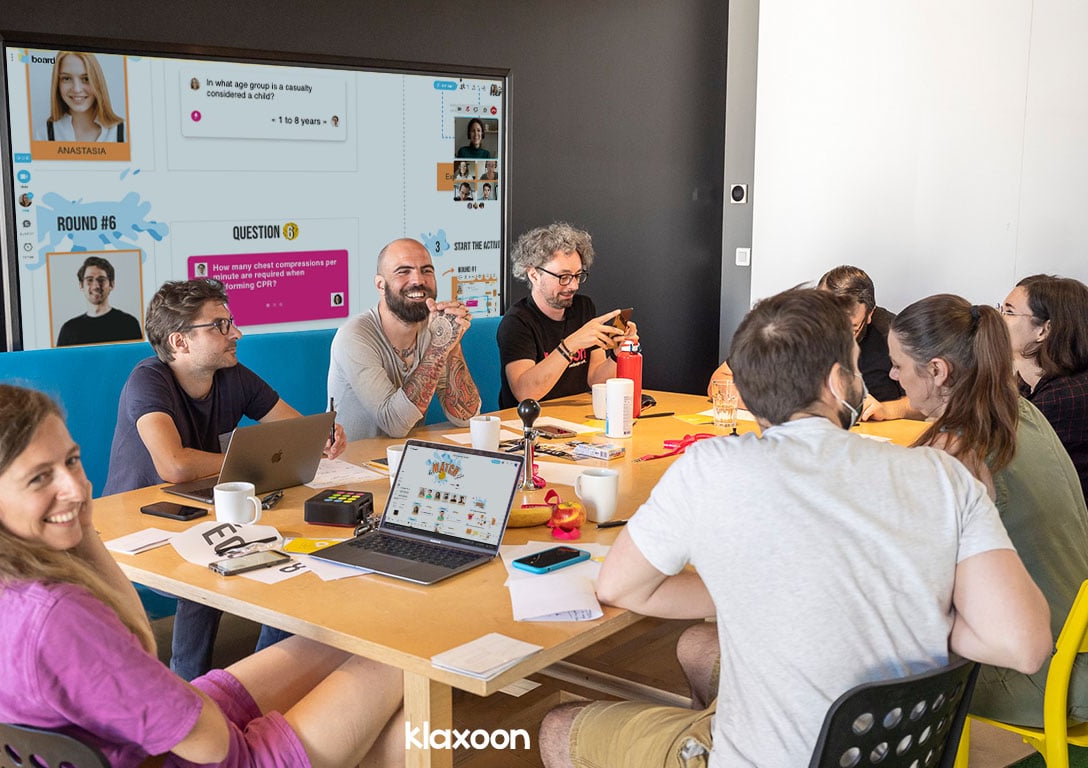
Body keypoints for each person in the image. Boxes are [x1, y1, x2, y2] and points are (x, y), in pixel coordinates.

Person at [539, 288, 1051, 767]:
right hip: (904, 748)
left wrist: (755, 586)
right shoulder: (945, 477)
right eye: (856, 366)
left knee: (558, 728)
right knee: (700, 651)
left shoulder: (711, 467)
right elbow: (1023, 644)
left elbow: (620, 586)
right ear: (835, 383)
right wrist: (909, 602)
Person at [0, 384, 403, 768]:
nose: (75, 488)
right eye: (39, 478)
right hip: (205, 754)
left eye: (72, 461)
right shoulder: (55, 617)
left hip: (146, 740)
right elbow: (208, 741)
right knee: (406, 661)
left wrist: (82, 527)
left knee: (357, 639)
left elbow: (138, 656)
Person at [104, 279, 346, 680]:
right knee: (211, 569)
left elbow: (296, 431)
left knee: (291, 557)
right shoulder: (148, 381)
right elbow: (174, 466)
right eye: (219, 326)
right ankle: (189, 681)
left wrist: (324, 438)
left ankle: (256, 678)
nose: (236, 333)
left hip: (203, 510)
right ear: (179, 342)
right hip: (137, 523)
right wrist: (244, 461)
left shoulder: (231, 374)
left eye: (230, 322)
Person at [889, 293, 1088, 727]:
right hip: (1077, 654)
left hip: (1045, 679)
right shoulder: (1023, 412)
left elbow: (919, 591)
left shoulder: (955, 451)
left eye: (899, 365)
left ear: (937, 371)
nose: (892, 375)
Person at [705, 265, 914, 419]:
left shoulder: (894, 334)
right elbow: (719, 381)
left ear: (870, 314)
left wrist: (887, 410)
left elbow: (929, 401)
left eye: (850, 327)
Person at [327, 238, 480, 440]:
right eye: (403, 271)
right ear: (381, 285)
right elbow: (395, 424)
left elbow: (466, 417)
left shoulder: (433, 330)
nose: (418, 280)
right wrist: (439, 348)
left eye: (427, 271)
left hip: (407, 457)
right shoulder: (354, 335)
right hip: (354, 465)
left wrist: (452, 345)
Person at [496, 222, 637, 409]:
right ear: (534, 275)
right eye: (563, 277)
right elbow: (525, 393)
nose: (573, 286)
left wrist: (616, 355)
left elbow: (596, 380)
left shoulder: (583, 307)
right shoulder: (517, 322)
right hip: (527, 425)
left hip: (573, 421)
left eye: (578, 275)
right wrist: (571, 344)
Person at [1000, 274, 1088, 499]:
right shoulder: (1030, 381)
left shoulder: (1060, 397)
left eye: (1009, 312)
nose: (998, 319)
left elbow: (1002, 458)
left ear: (1044, 330)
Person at [56, 255, 143, 347]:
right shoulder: (69, 329)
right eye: (89, 280)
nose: (96, 286)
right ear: (81, 285)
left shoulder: (128, 324)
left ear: (112, 284)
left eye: (101, 280)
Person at [44, 51, 126, 143]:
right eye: (66, 78)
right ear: (57, 84)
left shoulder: (124, 132)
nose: (77, 89)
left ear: (98, 82)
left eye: (86, 79)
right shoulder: (44, 135)